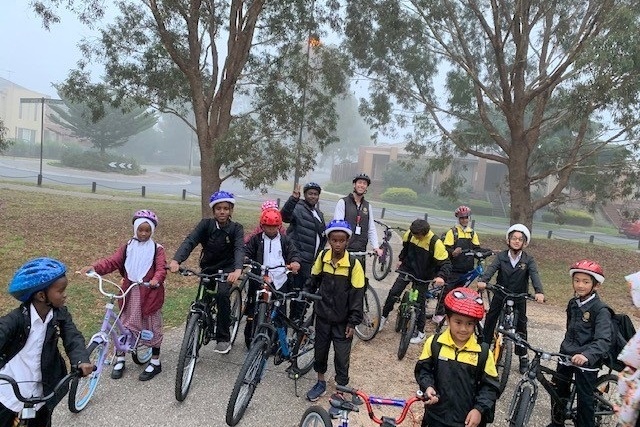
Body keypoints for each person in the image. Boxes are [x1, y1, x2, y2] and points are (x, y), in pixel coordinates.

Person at [0, 257, 94, 427]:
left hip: (42, 391)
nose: (65, 295)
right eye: (60, 291)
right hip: (8, 392)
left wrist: (81, 359)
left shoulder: (59, 314)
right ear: (41, 295)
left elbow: (72, 336)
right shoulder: (15, 320)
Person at [80, 209, 167, 381]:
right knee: (124, 324)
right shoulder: (128, 247)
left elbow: (161, 268)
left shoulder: (157, 249)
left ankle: (155, 361)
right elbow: (113, 261)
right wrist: (95, 268)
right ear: (135, 229)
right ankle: (120, 358)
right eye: (140, 230)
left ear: (152, 231)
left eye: (147, 230)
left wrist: (156, 279)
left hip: (149, 293)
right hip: (129, 291)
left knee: (151, 326)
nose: (143, 233)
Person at [169, 191, 244, 354]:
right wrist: (176, 260)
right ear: (213, 210)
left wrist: (238, 269)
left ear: (231, 210)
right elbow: (190, 241)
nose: (222, 212)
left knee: (222, 295)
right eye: (218, 208)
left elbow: (239, 248)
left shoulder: (236, 228)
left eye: (226, 208)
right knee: (202, 299)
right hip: (208, 267)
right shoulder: (205, 225)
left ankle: (223, 338)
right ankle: (195, 334)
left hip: (227, 269)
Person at [415, 287, 500, 427]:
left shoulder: (482, 353)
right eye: (458, 322)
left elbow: (490, 387)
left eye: (469, 323)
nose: (463, 329)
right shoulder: (435, 344)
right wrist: (428, 387)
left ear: (475, 324)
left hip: (467, 421)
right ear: (448, 319)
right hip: (435, 418)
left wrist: (479, 410)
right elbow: (424, 370)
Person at [304, 219, 365, 405]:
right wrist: (306, 292)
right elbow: (313, 279)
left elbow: (357, 295)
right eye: (334, 240)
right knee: (320, 351)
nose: (337, 244)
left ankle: (341, 389)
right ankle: (320, 382)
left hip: (343, 321)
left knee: (341, 356)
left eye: (341, 241)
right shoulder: (323, 257)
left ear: (347, 241)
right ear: (329, 240)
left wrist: (353, 321)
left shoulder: (353, 265)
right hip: (322, 317)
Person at [546, 260, 612, 427]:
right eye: (576, 280)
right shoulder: (573, 303)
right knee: (558, 390)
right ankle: (557, 422)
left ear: (596, 285)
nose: (580, 285)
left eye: (586, 282)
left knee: (585, 399)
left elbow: (604, 339)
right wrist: (565, 349)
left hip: (587, 358)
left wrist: (586, 355)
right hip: (567, 354)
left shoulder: (601, 310)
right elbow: (570, 329)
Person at [477, 223, 545, 374]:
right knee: (491, 318)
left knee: (521, 325)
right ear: (508, 240)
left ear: (525, 243)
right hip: (501, 293)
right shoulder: (501, 257)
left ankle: (523, 356)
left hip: (519, 296)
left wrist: (539, 292)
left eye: (520, 239)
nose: (516, 241)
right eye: (514, 238)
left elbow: (534, 275)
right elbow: (491, 269)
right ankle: (483, 348)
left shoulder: (528, 260)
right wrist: (484, 280)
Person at [379, 219, 451, 344]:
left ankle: (421, 332)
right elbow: (405, 248)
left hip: (423, 275)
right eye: (413, 235)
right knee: (394, 292)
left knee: (420, 303)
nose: (415, 237)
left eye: (418, 236)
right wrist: (401, 259)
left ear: (424, 233)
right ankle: (383, 317)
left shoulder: (435, 243)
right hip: (407, 269)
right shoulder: (410, 234)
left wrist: (441, 277)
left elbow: (446, 263)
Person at [243, 209, 301, 348]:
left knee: (279, 310)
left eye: (274, 226)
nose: (271, 229)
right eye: (267, 226)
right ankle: (251, 338)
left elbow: (294, 253)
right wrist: (245, 258)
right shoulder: (256, 239)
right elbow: (247, 251)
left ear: (279, 226)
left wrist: (295, 262)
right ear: (262, 226)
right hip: (260, 278)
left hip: (279, 279)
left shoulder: (285, 240)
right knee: (253, 308)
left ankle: (279, 344)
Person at [435, 205, 491, 323]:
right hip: (454, 268)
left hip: (466, 268)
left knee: (460, 292)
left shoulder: (472, 233)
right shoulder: (452, 232)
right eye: (462, 218)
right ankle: (439, 313)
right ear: (458, 218)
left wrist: (488, 251)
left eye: (466, 217)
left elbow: (476, 248)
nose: (464, 220)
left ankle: (455, 313)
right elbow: (446, 249)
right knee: (447, 290)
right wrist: (453, 252)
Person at [281, 182, 326, 322]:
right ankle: (293, 320)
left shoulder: (318, 213)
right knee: (298, 292)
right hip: (300, 257)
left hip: (312, 259)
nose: (313, 196)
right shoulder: (298, 207)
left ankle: (297, 320)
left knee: (305, 292)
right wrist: (293, 199)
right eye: (310, 193)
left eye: (316, 194)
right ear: (305, 195)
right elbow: (285, 216)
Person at [333, 173, 383, 268]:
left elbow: (371, 228)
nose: (362, 185)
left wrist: (376, 247)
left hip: (361, 250)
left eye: (364, 183)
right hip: (345, 249)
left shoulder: (367, 206)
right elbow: (337, 226)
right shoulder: (343, 202)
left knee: (359, 276)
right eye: (359, 182)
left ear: (366, 187)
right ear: (354, 185)